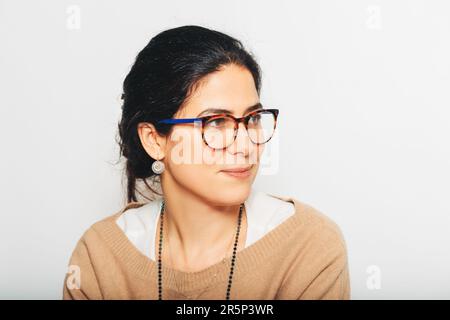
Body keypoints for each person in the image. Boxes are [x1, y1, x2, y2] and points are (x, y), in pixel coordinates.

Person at [62, 25, 350, 300]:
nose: (245, 144)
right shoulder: (100, 256)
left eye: (251, 119)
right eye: (215, 122)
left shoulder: (308, 246)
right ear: (154, 140)